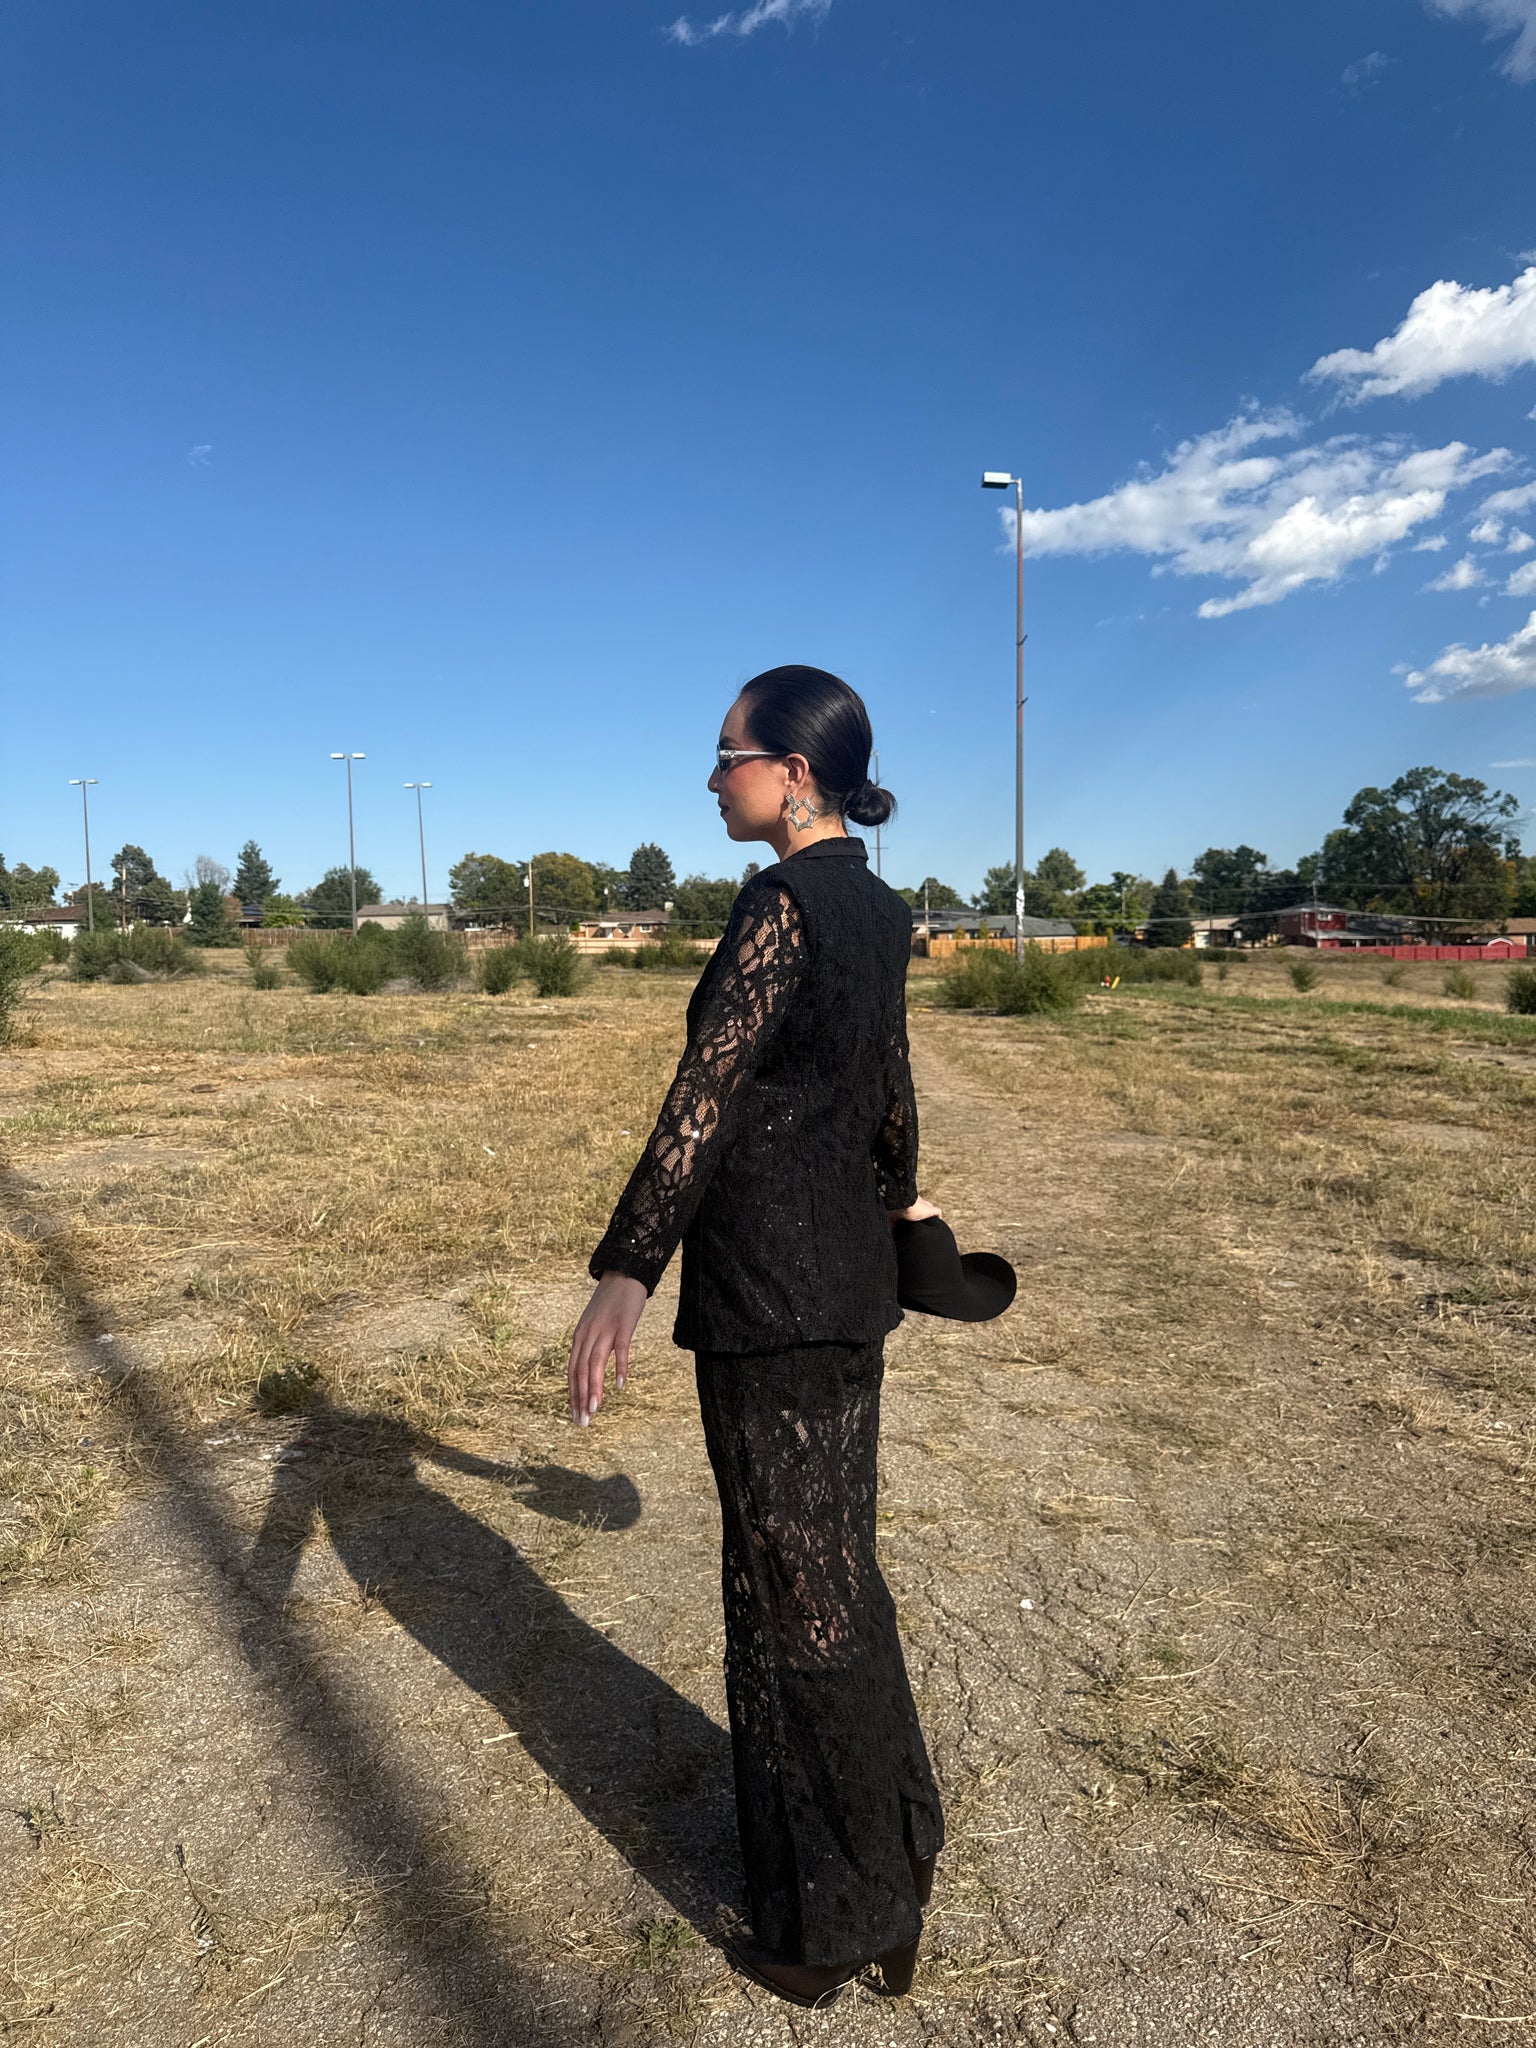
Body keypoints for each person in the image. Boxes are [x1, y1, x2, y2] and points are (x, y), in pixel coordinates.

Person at [567, 665, 945, 2010]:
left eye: (728, 755)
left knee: (796, 1594)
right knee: (838, 1565)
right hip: (845, 1285)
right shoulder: (880, 907)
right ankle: (898, 1844)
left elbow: (705, 1094)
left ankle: (836, 1917)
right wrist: (904, 1204)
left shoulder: (778, 905)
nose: (713, 777)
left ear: (794, 772)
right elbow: (890, 1091)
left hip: (769, 1294)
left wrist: (627, 1269)